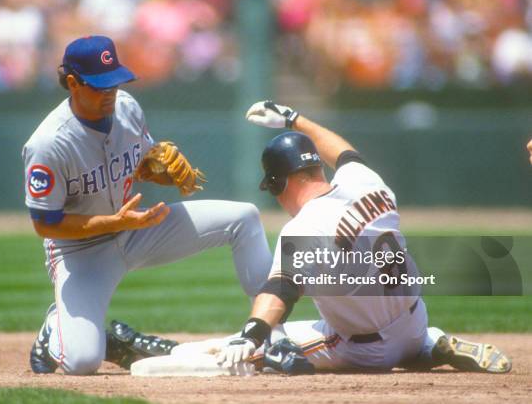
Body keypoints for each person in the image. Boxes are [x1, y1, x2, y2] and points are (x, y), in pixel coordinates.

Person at [22, 36, 273, 375]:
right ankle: (56, 324)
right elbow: (46, 224)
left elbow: (141, 168)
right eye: (100, 86)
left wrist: (164, 175)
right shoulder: (48, 144)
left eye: (114, 82)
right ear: (72, 82)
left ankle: (268, 333)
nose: (110, 92)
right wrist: (115, 222)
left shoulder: (127, 107)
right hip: (80, 252)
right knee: (81, 362)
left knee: (244, 217)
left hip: (137, 228)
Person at [215, 100, 512, 374]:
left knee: (246, 351)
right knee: (396, 336)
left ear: (279, 183)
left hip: (366, 349)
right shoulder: (366, 181)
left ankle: (421, 348)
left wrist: (252, 335)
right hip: (416, 322)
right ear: (317, 167)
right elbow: (344, 154)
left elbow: (281, 289)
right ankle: (430, 345)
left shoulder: (304, 227)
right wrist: (294, 118)